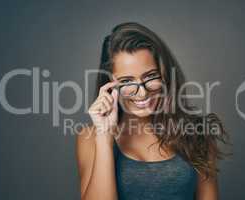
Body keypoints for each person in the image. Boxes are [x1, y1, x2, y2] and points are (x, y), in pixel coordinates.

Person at [76, 22, 230, 200]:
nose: (142, 93)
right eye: (127, 81)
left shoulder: (198, 133)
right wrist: (104, 137)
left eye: (150, 77)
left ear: (165, 74)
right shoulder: (90, 137)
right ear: (110, 85)